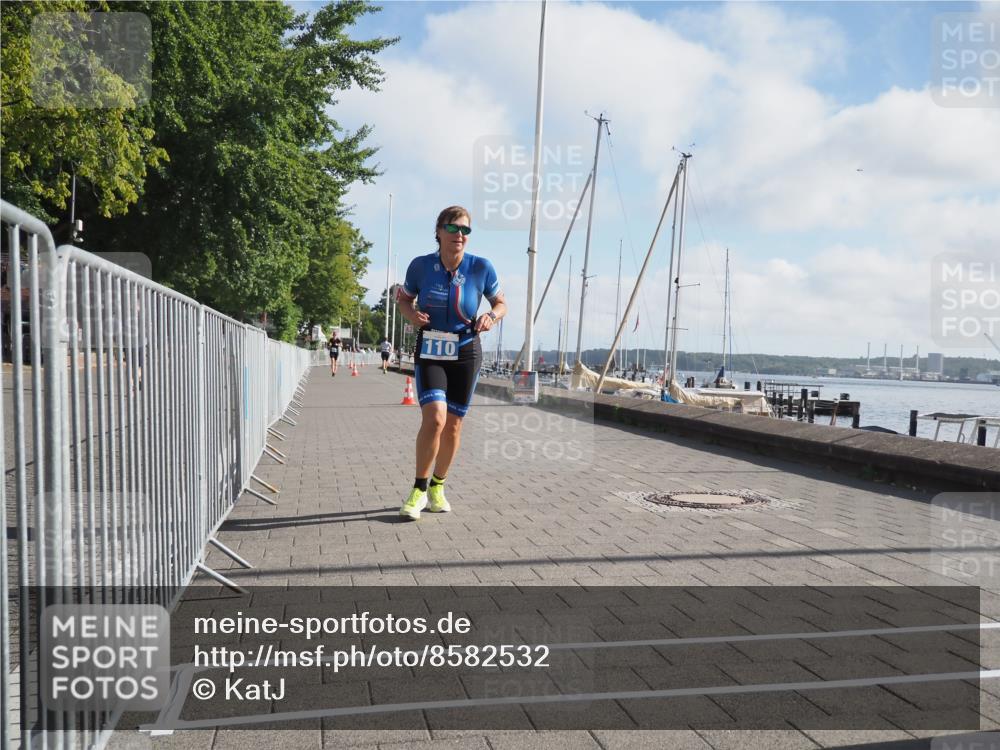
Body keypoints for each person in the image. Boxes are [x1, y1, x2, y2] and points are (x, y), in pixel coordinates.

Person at [396, 206, 506, 520]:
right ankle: (418, 489)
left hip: (466, 351)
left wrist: (491, 316)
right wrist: (411, 315)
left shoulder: (481, 268)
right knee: (435, 420)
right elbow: (404, 298)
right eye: (453, 228)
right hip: (431, 348)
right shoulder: (420, 267)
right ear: (439, 232)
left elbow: (501, 302)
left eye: (465, 230)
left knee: (454, 427)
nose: (460, 235)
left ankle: (437, 486)